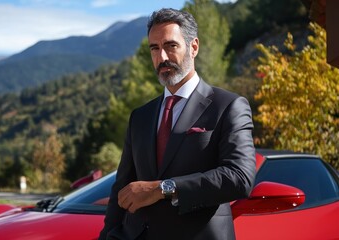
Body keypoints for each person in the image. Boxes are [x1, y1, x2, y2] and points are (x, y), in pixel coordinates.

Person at [99, 8, 256, 240]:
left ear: (194, 47)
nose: (161, 57)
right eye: (154, 48)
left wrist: (162, 188)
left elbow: (239, 178)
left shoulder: (228, 106)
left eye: (170, 46)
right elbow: (121, 188)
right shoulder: (140, 116)